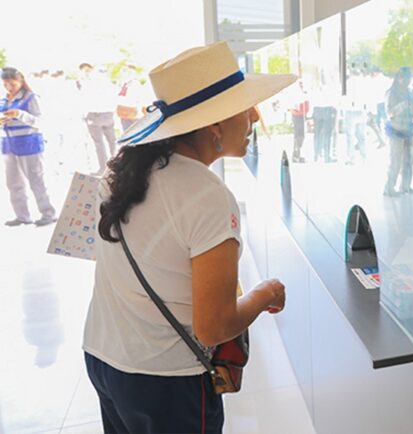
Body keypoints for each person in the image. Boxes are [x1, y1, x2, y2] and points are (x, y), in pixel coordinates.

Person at [82, 42, 296, 433]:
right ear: (214, 125)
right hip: (165, 379)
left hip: (103, 355)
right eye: (244, 107)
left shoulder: (120, 172)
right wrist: (264, 295)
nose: (254, 115)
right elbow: (214, 327)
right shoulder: (207, 195)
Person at [1, 67, 57, 226]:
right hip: (8, 144)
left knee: (36, 180)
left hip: (29, 144)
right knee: (13, 183)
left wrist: (19, 114)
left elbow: (39, 122)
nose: (9, 88)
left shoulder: (31, 97)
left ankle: (48, 214)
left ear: (21, 81)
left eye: (12, 84)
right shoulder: (4, 99)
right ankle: (22, 216)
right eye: (5, 84)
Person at [383, 66, 413, 196]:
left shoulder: (411, 92)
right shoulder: (391, 93)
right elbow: (389, 113)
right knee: (395, 161)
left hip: (409, 130)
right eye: (404, 77)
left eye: (409, 77)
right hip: (395, 131)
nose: (407, 80)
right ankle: (389, 188)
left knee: (409, 161)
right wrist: (403, 105)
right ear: (398, 78)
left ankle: (406, 186)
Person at [78, 62, 118, 175]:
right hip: (107, 114)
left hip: (96, 115)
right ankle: (116, 165)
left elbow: (84, 99)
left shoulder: (88, 83)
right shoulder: (106, 81)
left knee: (100, 143)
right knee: (111, 142)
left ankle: (104, 168)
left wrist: (86, 115)